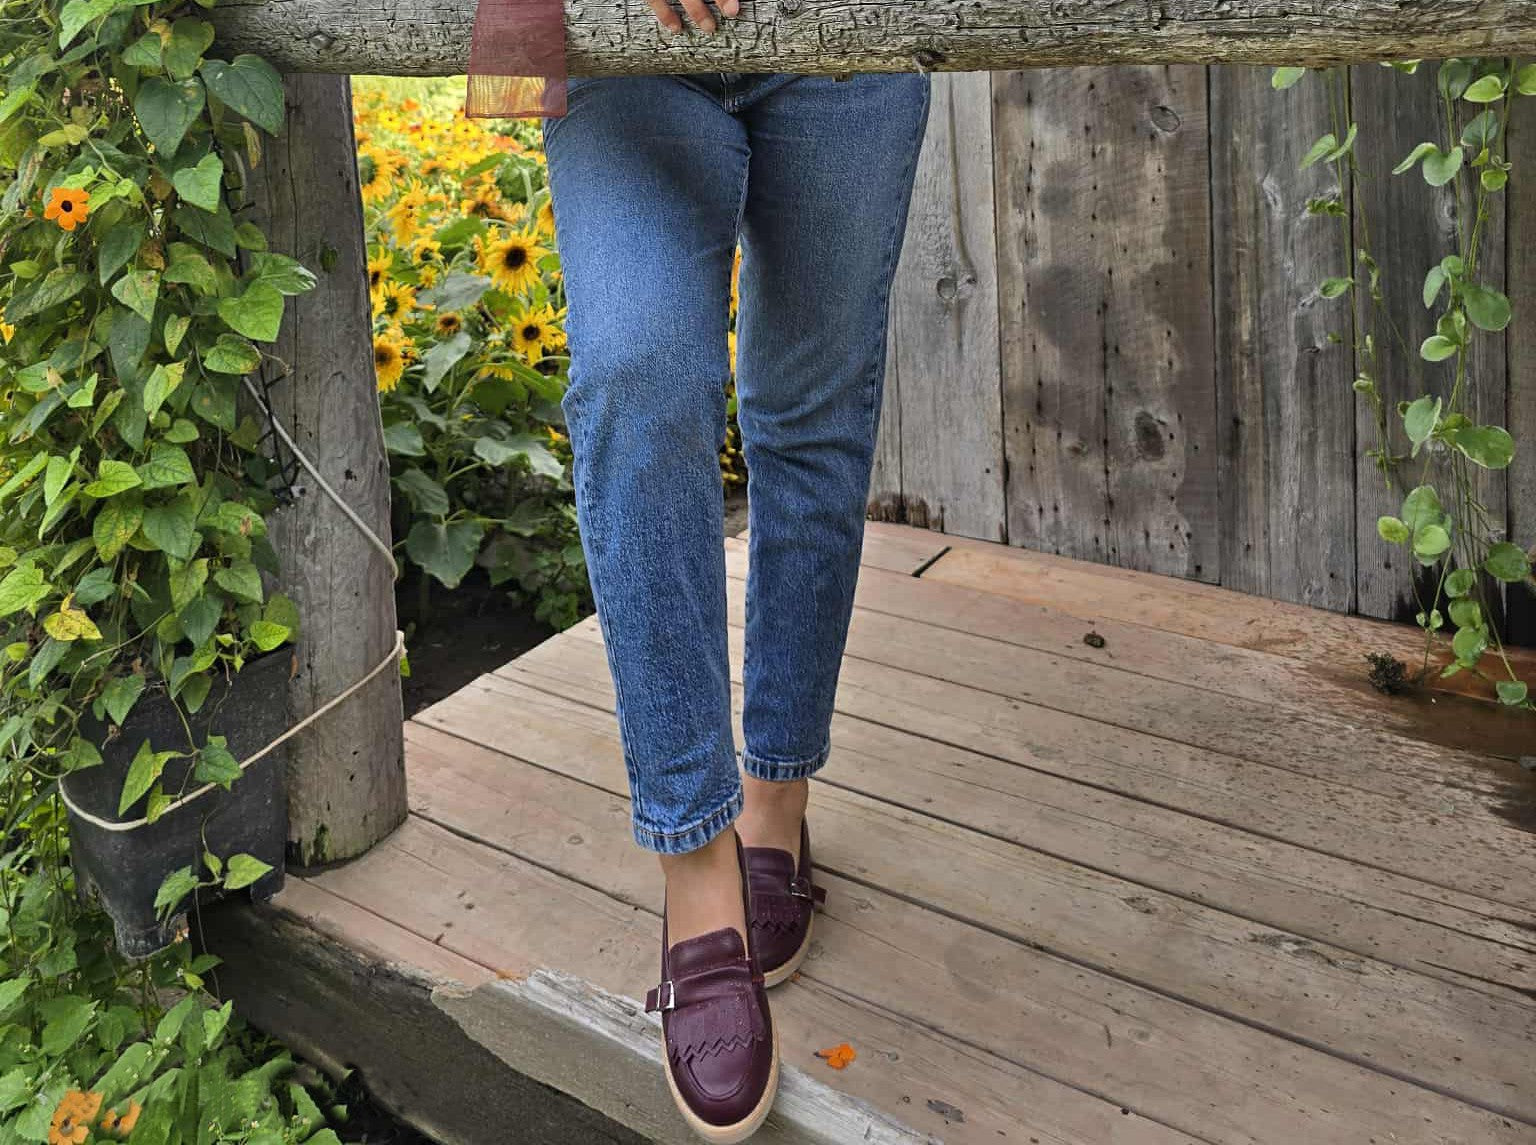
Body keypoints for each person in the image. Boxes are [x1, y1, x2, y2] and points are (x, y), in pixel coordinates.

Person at [534, 1, 931, 1138]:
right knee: (638, 377)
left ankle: (776, 803)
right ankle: (697, 863)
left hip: (847, 35)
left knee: (810, 413)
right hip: (621, 43)